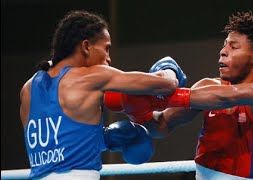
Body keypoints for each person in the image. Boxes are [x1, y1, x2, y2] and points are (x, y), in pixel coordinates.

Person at [104, 11, 253, 180]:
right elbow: (162, 125)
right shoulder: (206, 87)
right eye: (224, 46)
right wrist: (137, 111)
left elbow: (227, 97)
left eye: (234, 47)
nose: (223, 51)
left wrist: (158, 96)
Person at [19, 10, 187, 179]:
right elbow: (166, 85)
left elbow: (54, 144)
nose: (109, 58)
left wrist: (103, 139)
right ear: (86, 47)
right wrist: (168, 68)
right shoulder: (92, 76)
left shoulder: (28, 89)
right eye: (106, 49)